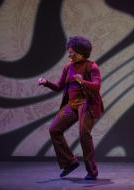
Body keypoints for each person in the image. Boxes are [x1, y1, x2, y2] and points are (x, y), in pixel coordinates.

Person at [38, 36, 104, 180]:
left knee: (83, 135)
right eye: (68, 52)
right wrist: (46, 82)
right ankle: (69, 163)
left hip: (87, 104)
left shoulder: (92, 66)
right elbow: (59, 87)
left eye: (72, 52)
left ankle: (92, 171)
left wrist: (83, 81)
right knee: (54, 129)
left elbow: (97, 86)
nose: (69, 55)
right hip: (72, 104)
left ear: (81, 52)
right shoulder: (68, 67)